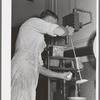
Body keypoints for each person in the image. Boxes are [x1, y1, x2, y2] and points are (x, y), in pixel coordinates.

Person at [11, 10, 74, 100]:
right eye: (54, 23)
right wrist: (67, 30)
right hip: (22, 67)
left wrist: (61, 75)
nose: (54, 26)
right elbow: (60, 31)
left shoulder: (38, 39)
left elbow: (40, 68)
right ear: (48, 19)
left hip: (29, 71)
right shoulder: (33, 21)